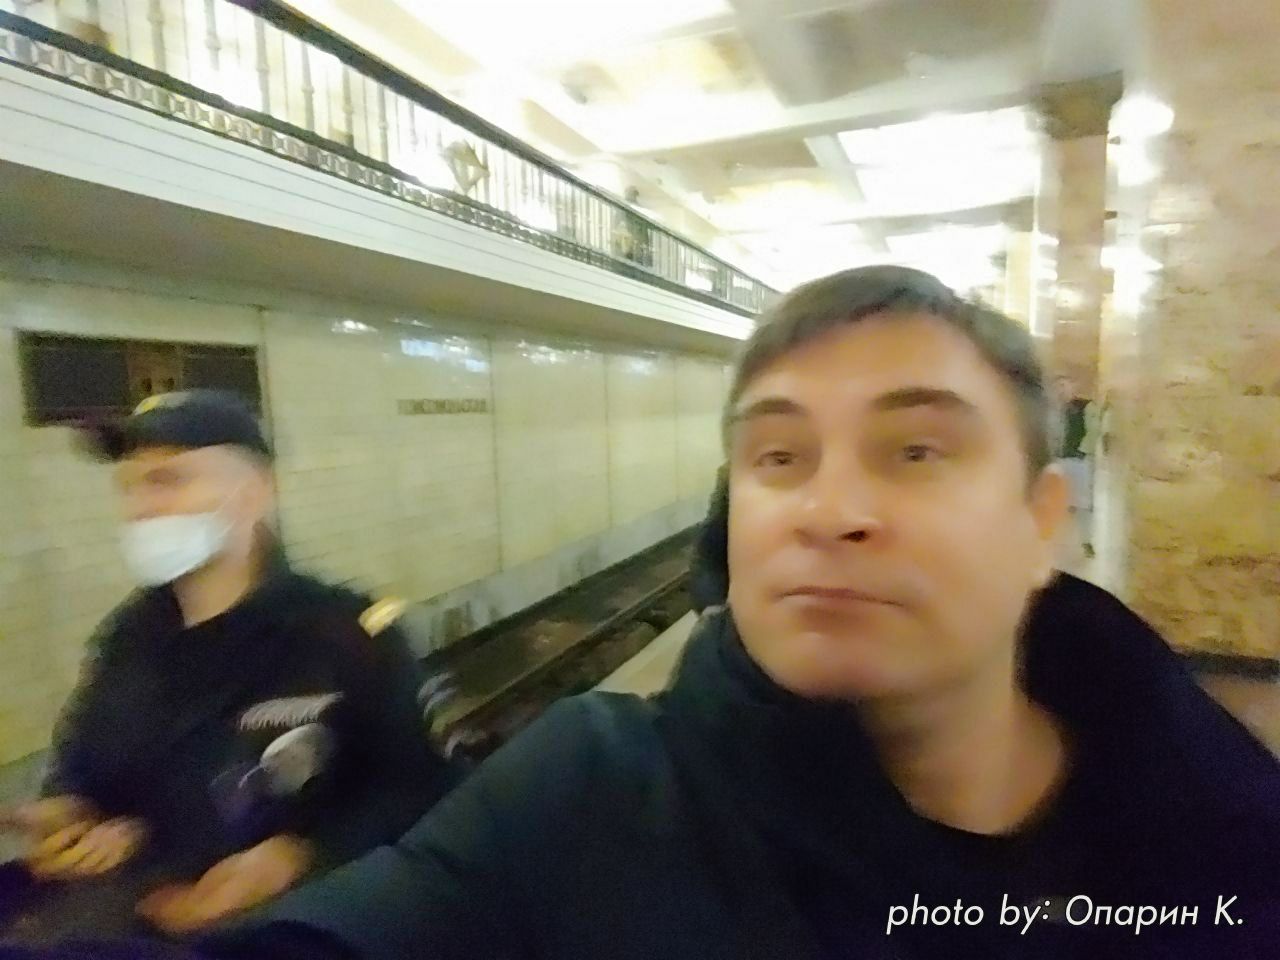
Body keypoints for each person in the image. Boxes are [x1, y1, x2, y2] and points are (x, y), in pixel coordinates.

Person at [17, 268, 1280, 960]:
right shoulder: (590, 794)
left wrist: (298, 847)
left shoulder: (1221, 836)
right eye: (776, 459)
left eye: (914, 451)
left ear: (1040, 520)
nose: (827, 509)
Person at [0, 390, 458, 944]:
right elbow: (84, 767)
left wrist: (300, 855)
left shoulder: (347, 635)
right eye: (129, 486)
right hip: (135, 934)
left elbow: (425, 790)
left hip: (295, 937)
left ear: (254, 494)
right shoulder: (126, 638)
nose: (140, 507)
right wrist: (69, 814)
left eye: (168, 480)